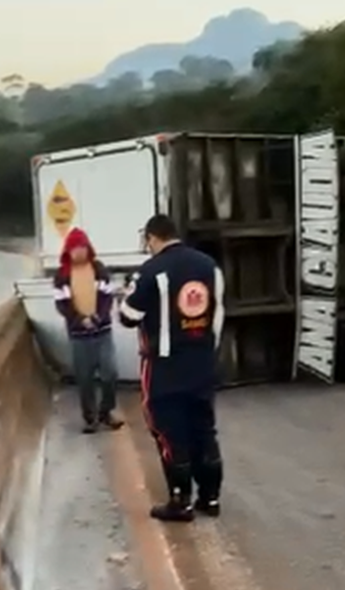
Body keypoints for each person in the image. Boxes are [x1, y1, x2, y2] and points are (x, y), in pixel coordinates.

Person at [117, 214, 224, 522]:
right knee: (204, 430)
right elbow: (218, 318)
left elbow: (128, 315)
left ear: (152, 238)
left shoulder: (151, 271)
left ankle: (181, 502)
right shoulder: (209, 267)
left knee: (169, 432)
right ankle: (211, 498)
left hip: (165, 367)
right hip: (202, 363)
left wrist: (125, 296)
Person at [52, 227, 123, 433]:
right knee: (85, 379)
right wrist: (79, 319)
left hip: (102, 332)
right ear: (68, 251)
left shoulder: (99, 269)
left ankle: (106, 412)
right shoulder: (62, 275)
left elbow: (107, 297)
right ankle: (90, 417)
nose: (79, 252)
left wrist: (98, 317)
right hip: (78, 336)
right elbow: (62, 303)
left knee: (110, 373)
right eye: (75, 248)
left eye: (82, 247)